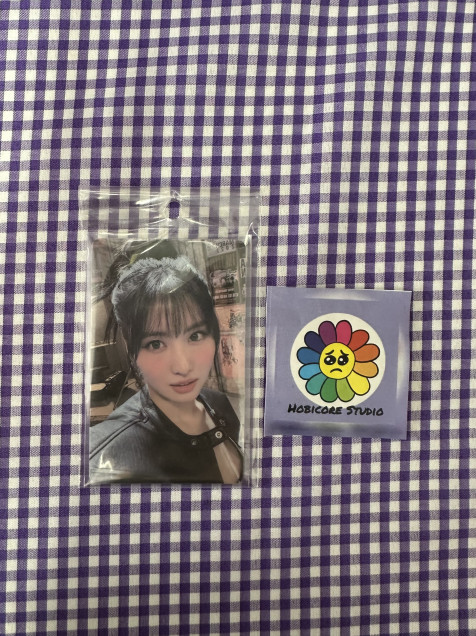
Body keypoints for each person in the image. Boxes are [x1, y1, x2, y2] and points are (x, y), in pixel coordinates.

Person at [89, 240, 243, 485]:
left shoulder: (219, 404)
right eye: (156, 344)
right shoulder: (104, 458)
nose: (182, 366)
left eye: (195, 336)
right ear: (131, 349)